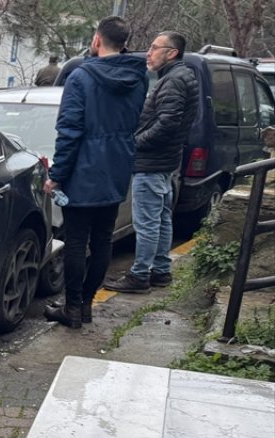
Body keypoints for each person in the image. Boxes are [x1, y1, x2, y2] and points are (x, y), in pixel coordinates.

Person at [42, 16, 149, 328]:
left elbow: (70, 131)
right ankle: (86, 305)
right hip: (116, 167)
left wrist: (57, 174)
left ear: (97, 39)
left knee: (76, 241)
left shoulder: (81, 77)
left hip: (83, 170)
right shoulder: (138, 76)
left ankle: (72, 308)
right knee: (103, 240)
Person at [105, 31, 200, 293]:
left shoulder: (173, 81)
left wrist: (134, 143)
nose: (149, 52)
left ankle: (139, 276)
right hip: (165, 162)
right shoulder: (180, 76)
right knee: (161, 219)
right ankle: (160, 271)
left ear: (172, 53)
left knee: (146, 223)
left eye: (155, 48)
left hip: (153, 162)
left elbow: (167, 123)